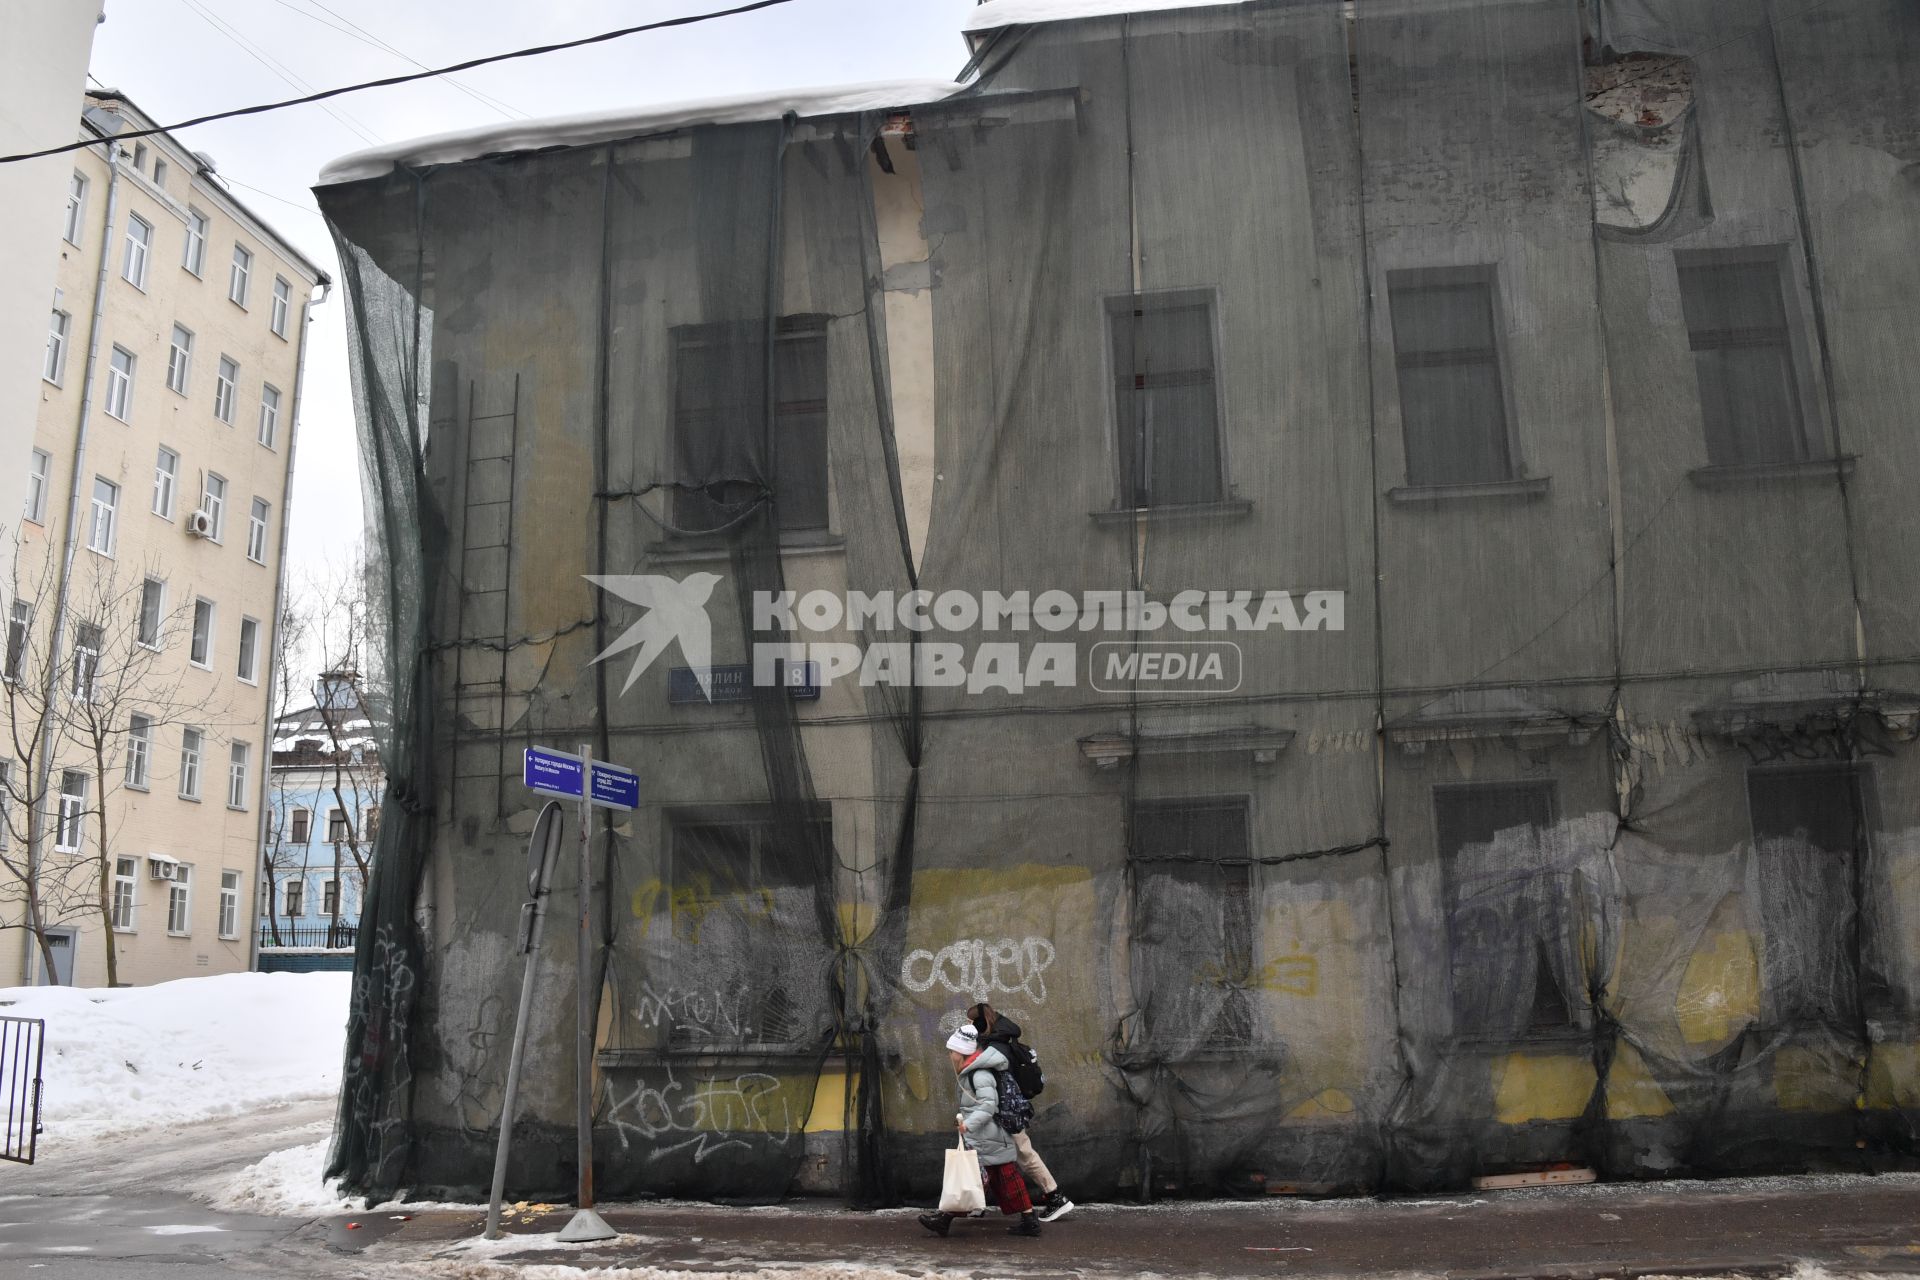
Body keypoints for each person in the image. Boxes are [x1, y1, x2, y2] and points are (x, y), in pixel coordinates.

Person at [919, 1024, 1044, 1238]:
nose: (950, 1055)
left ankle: (945, 1219)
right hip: (990, 1137)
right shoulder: (972, 1072)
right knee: (1006, 1179)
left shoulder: (980, 1074)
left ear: (962, 1052)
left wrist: (969, 1124)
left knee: (971, 1178)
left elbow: (988, 1105)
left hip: (988, 1135)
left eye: (952, 1051)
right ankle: (1029, 1220)